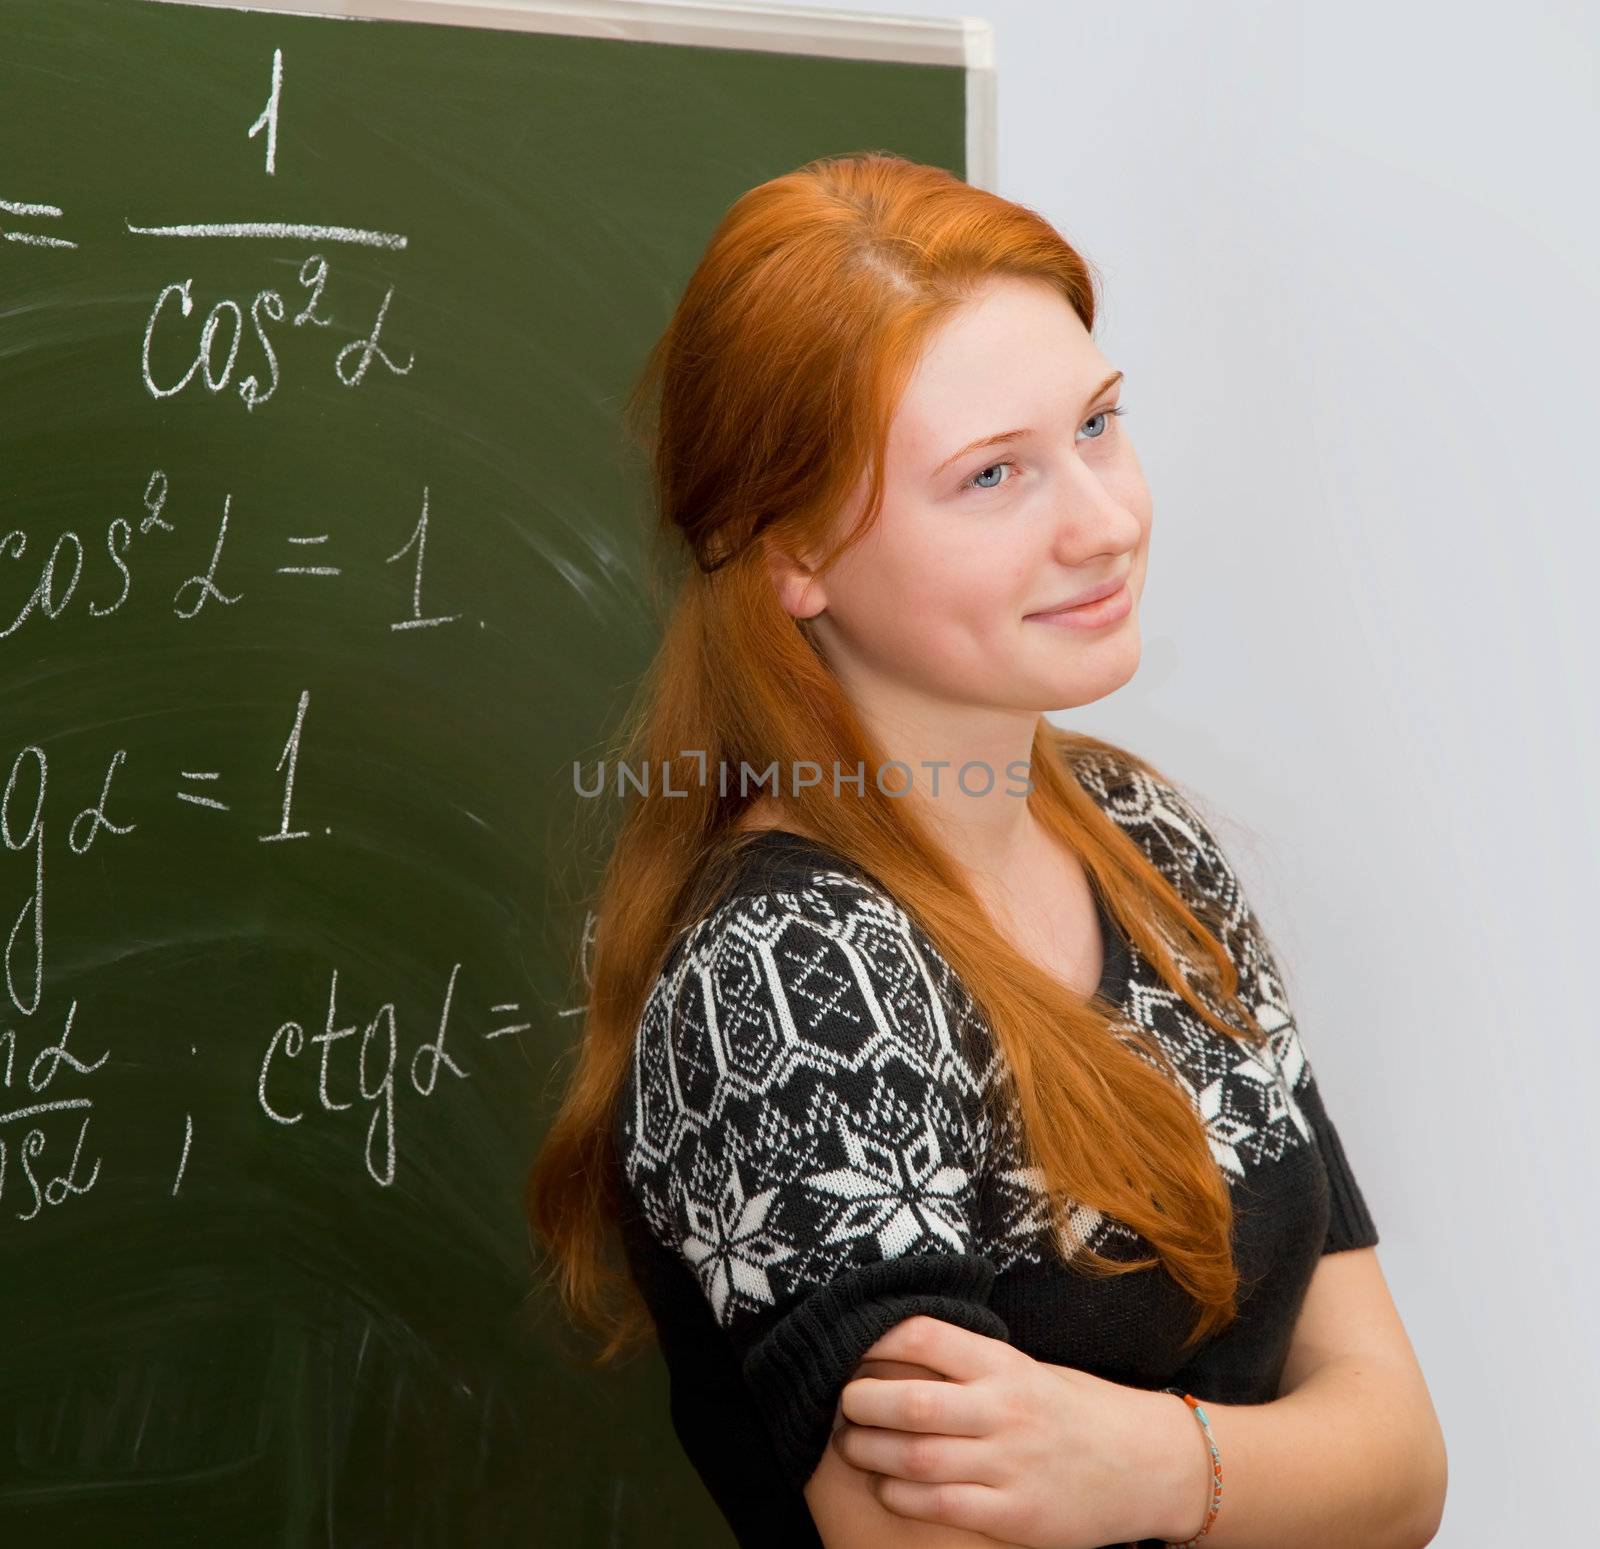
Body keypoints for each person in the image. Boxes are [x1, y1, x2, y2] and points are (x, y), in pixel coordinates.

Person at [526, 151, 1441, 1549]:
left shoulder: (1146, 843)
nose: (1105, 519)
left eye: (1099, 423)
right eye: (994, 474)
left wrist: (1143, 1459)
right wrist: (1264, 1474)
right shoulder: (789, 978)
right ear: (792, 556)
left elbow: (1401, 1459)